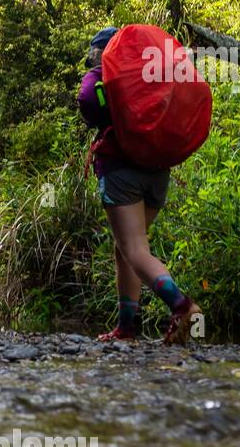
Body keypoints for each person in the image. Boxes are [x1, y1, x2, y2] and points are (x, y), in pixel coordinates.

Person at [79, 27, 200, 343]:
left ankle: (183, 306)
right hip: (157, 170)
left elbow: (88, 103)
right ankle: (127, 328)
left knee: (134, 249)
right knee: (126, 250)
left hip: (121, 171)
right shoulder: (148, 75)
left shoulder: (102, 76)